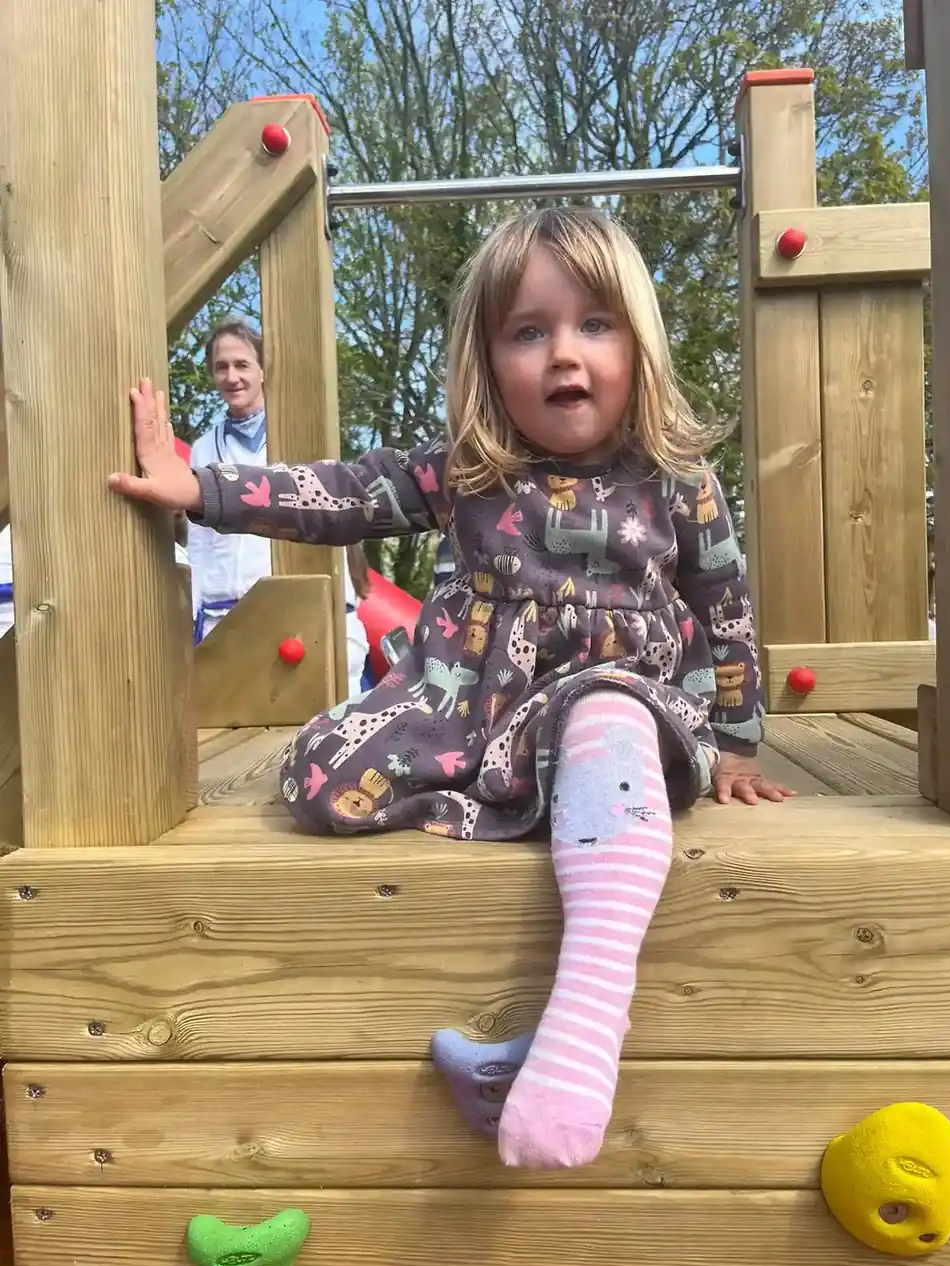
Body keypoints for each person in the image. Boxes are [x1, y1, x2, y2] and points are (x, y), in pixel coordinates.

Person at [109, 206, 794, 1173]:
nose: (565, 354)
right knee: (320, 779)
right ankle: (533, 1034)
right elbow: (340, 492)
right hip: (476, 710)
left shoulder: (676, 478)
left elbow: (723, 607)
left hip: (616, 712)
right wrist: (202, 491)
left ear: (640, 345)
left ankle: (582, 1029)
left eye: (595, 325)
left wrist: (736, 737)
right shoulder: (472, 470)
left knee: (607, 714)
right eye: (529, 330)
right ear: (486, 358)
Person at [187, 318, 371, 694]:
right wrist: (196, 613)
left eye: (242, 365)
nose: (232, 377)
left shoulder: (300, 435)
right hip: (229, 618)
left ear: (263, 370)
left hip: (299, 617)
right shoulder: (205, 448)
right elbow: (199, 545)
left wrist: (341, 614)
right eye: (221, 367)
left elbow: (333, 517)